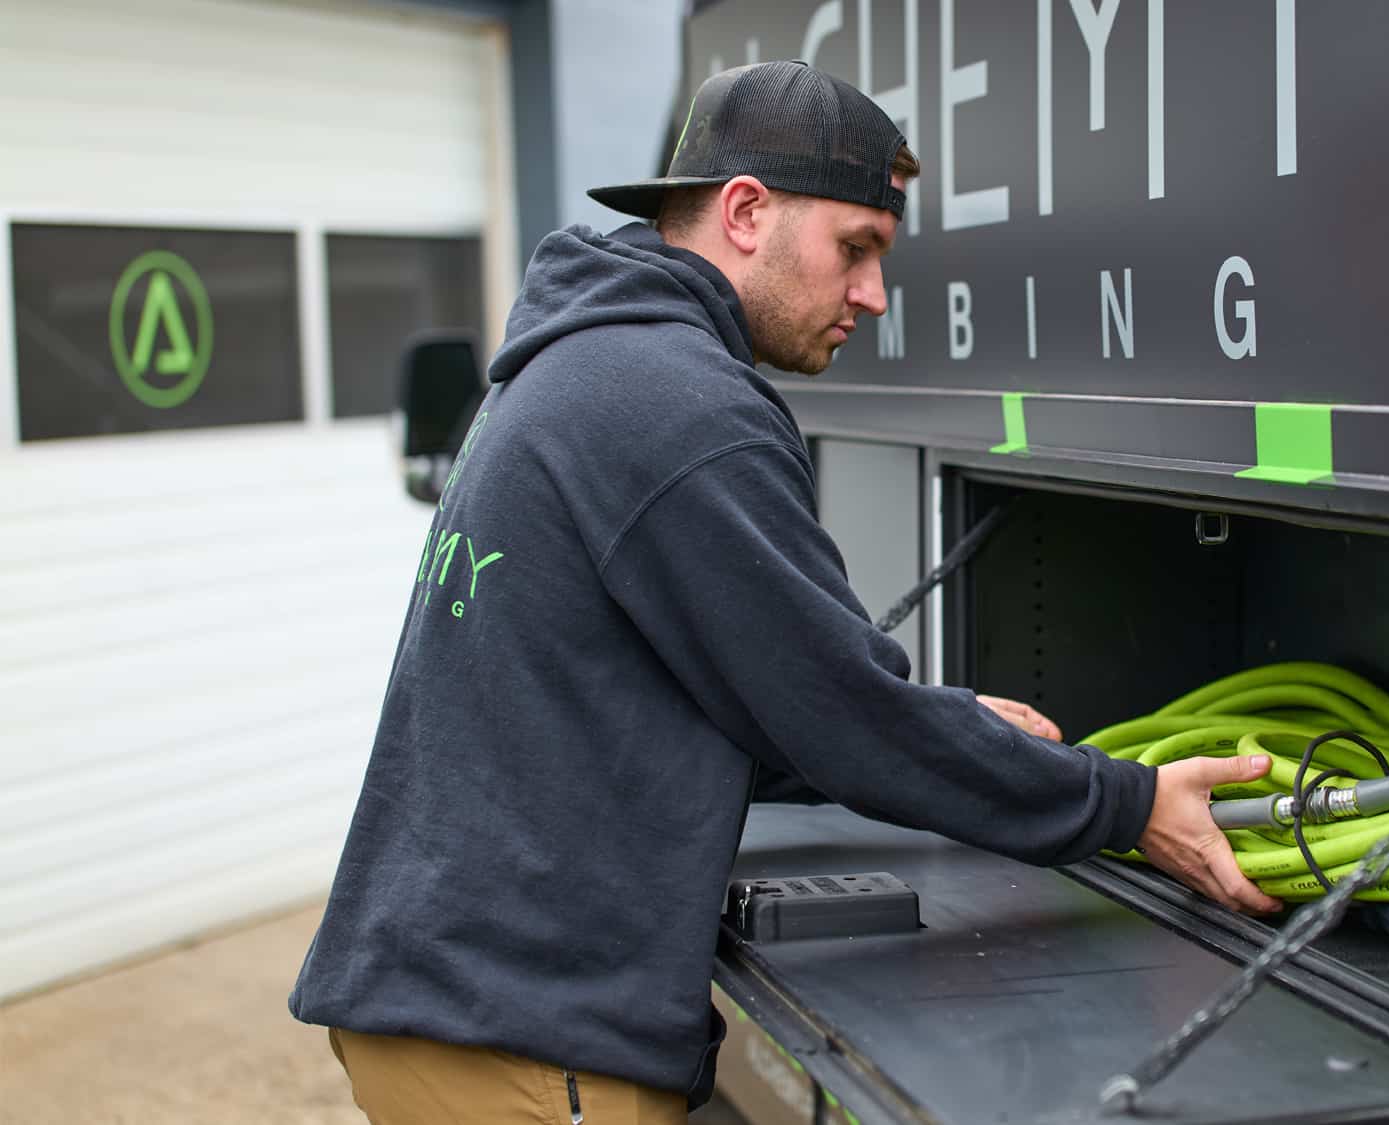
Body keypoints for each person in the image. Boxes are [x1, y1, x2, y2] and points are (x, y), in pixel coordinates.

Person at [290, 60, 1279, 1125]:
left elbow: (656, 700)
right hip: (525, 1044)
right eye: (854, 248)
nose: (873, 295)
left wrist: (950, 727)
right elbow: (845, 715)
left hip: (448, 1006)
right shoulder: (679, 405)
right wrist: (1130, 803)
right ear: (746, 212)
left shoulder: (577, 364)